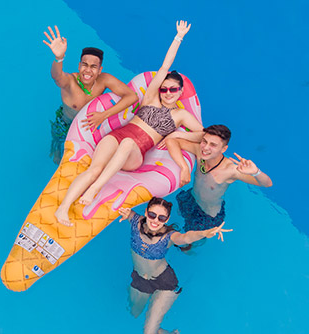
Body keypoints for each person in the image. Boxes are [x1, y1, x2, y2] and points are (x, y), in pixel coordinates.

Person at [55, 20, 203, 226]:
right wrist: (178, 37)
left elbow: (203, 135)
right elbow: (164, 66)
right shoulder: (151, 97)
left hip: (135, 153)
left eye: (172, 90)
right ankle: (62, 208)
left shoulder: (181, 116)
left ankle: (95, 189)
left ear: (179, 92)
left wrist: (177, 135)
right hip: (118, 136)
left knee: (126, 145)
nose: (167, 93)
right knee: (94, 168)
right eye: (164, 88)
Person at [118, 197, 232, 334]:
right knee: (133, 312)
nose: (155, 220)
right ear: (146, 212)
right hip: (140, 278)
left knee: (148, 332)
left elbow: (186, 238)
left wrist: (204, 233)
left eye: (161, 218)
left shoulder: (169, 236)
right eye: (152, 215)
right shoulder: (135, 221)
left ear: (167, 219)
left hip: (164, 283)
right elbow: (124, 208)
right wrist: (124, 212)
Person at [43, 25, 138, 164]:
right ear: (79, 65)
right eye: (84, 65)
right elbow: (57, 76)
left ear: (100, 70)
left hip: (89, 124)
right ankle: (56, 150)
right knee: (58, 151)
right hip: (65, 121)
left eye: (93, 67)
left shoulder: (104, 80)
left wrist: (104, 115)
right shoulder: (70, 82)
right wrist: (59, 58)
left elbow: (132, 96)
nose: (88, 70)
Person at [165, 124, 273, 234]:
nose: (206, 148)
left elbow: (267, 183)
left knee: (187, 247)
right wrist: (184, 168)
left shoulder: (230, 170)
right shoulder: (200, 151)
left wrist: (256, 172)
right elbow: (172, 141)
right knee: (178, 215)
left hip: (207, 214)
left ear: (224, 149)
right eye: (204, 141)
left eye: (213, 145)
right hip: (191, 198)